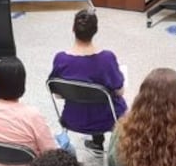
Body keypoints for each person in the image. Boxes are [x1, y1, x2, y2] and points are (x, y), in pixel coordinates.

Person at [49, 9, 126, 153]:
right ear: (95, 30)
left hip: (73, 118)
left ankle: (97, 143)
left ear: (73, 29)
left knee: (89, 97)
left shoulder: (61, 59)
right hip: (107, 119)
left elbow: (58, 95)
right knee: (112, 100)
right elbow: (120, 91)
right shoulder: (107, 59)